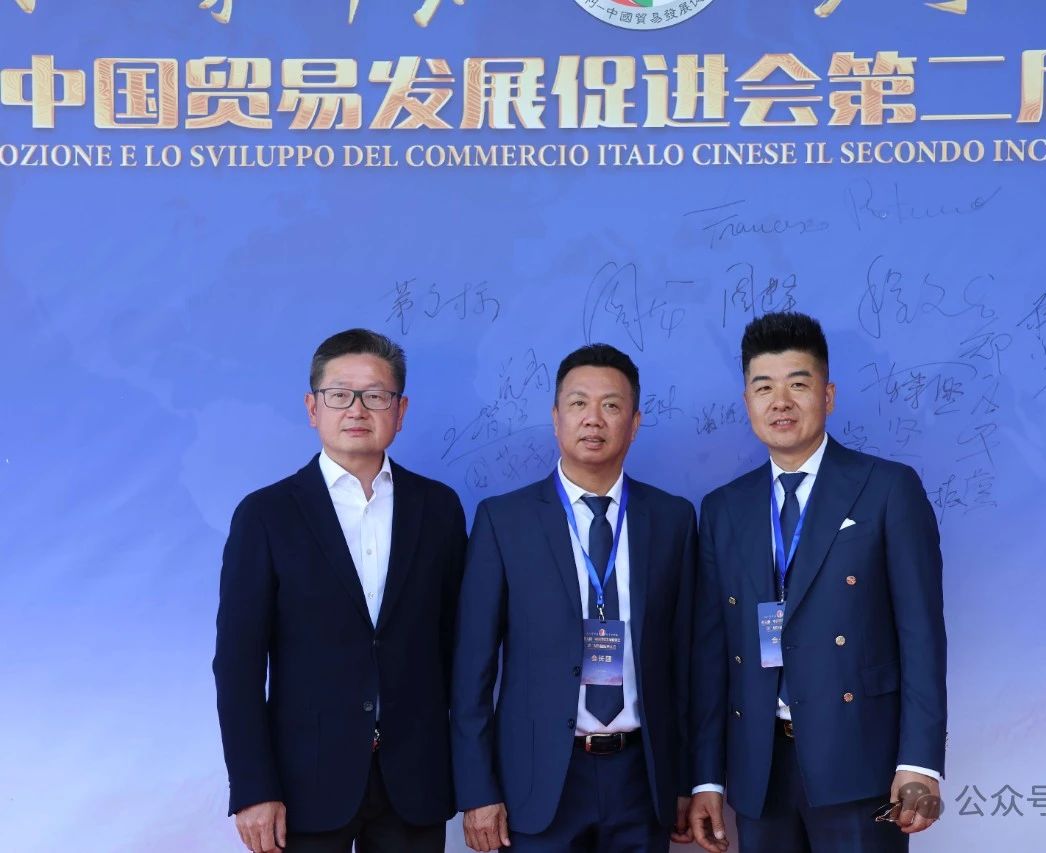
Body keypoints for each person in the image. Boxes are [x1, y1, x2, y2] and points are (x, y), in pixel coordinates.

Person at [688, 312, 946, 853]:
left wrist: (919, 762)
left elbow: (922, 634)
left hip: (859, 761)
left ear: (828, 396)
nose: (780, 402)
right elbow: (712, 656)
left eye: (798, 385)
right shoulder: (723, 509)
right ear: (747, 402)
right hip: (760, 768)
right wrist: (707, 778)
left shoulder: (887, 489)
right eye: (764, 388)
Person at [214, 329, 466, 853]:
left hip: (414, 780)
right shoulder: (266, 515)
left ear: (400, 410)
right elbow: (238, 665)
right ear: (313, 408)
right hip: (303, 784)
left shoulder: (438, 508)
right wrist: (253, 787)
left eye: (375, 395)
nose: (357, 409)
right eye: (339, 394)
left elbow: (458, 649)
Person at [451, 343, 697, 853]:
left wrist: (685, 780)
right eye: (578, 403)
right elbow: (473, 669)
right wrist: (478, 790)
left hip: (641, 778)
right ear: (556, 417)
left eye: (611, 405)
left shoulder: (672, 519)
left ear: (634, 423)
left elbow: (686, 660)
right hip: (538, 780)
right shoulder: (504, 521)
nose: (593, 419)